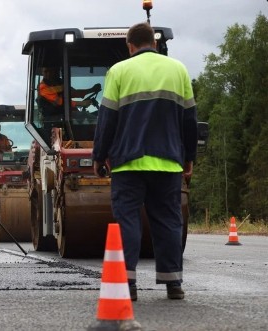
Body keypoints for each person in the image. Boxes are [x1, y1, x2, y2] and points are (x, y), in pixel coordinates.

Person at [92, 22, 197, 301]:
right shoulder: (178, 70)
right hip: (168, 163)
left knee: (128, 221)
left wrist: (99, 155)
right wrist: (189, 157)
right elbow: (189, 120)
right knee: (168, 221)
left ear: (130, 46)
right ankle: (173, 282)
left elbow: (107, 120)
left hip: (128, 163)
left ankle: (128, 283)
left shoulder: (119, 71)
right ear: (154, 42)